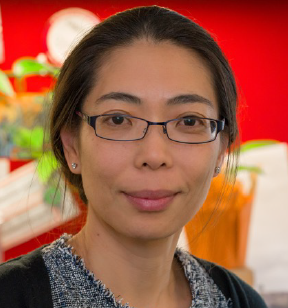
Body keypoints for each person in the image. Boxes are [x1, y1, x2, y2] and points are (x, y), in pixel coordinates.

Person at [0, 5, 267, 308]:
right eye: (118, 119)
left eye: (189, 122)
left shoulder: (240, 301)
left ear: (221, 148)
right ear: (72, 145)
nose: (154, 155)